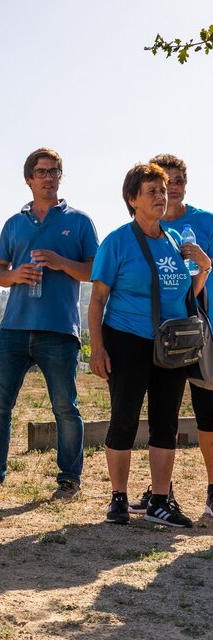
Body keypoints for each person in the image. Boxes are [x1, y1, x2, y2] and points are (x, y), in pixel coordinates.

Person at [0, 148, 99, 500]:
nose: (49, 177)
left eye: (55, 171)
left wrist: (60, 261)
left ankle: (69, 480)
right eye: (42, 171)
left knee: (65, 408)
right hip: (13, 329)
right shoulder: (14, 223)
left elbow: (94, 272)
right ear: (29, 179)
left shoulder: (80, 221)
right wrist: (13, 275)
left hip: (59, 330)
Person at [89, 162, 210, 528]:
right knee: (124, 420)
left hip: (171, 344)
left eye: (163, 189)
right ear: (132, 199)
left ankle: (160, 501)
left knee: (165, 423)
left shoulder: (174, 241)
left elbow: (186, 295)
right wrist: (98, 348)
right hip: (127, 339)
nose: (162, 196)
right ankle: (118, 500)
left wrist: (203, 269)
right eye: (152, 191)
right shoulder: (117, 241)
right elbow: (97, 300)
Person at [123, 154, 213, 518]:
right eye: (163, 184)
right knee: (165, 415)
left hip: (203, 331)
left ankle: (212, 492)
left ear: (185, 185)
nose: (169, 189)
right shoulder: (146, 227)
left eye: (176, 182)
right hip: (160, 336)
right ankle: (161, 493)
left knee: (208, 415)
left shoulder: (205, 222)